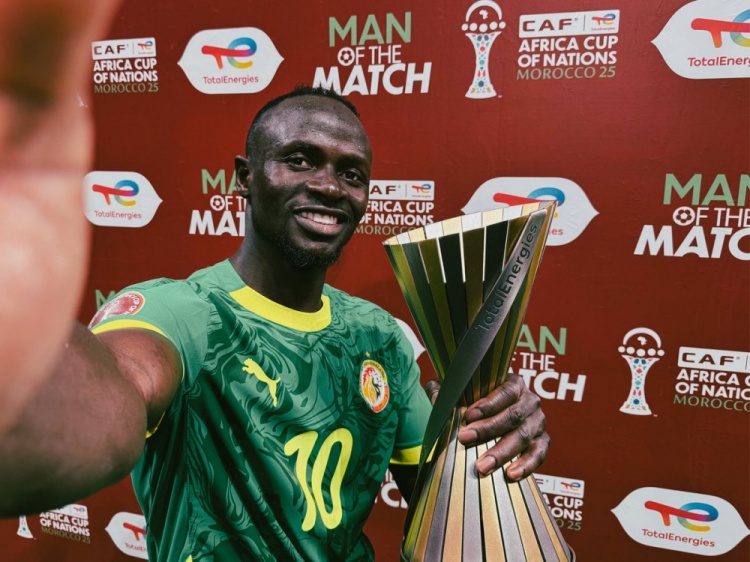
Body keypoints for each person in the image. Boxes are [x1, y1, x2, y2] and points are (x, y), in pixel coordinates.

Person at [0, 2, 550, 560]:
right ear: (245, 177)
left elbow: (445, 506)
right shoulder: (180, 314)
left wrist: (488, 436)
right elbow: (113, 390)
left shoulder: (380, 337)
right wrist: (16, 373)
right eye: (300, 160)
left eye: (351, 173)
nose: (330, 187)